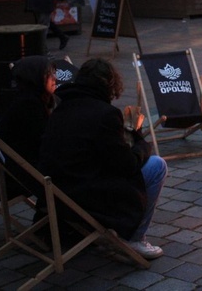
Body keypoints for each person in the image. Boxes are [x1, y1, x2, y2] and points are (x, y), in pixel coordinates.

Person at [38, 58, 168, 259]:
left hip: (57, 190)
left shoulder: (60, 106)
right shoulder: (105, 114)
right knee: (157, 165)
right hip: (86, 194)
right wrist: (140, 140)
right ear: (110, 85)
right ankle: (134, 238)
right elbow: (127, 165)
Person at [0, 55, 56, 198]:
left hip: (9, 171)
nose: (55, 78)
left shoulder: (28, 99)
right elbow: (45, 143)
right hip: (11, 179)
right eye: (49, 74)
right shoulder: (30, 106)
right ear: (36, 78)